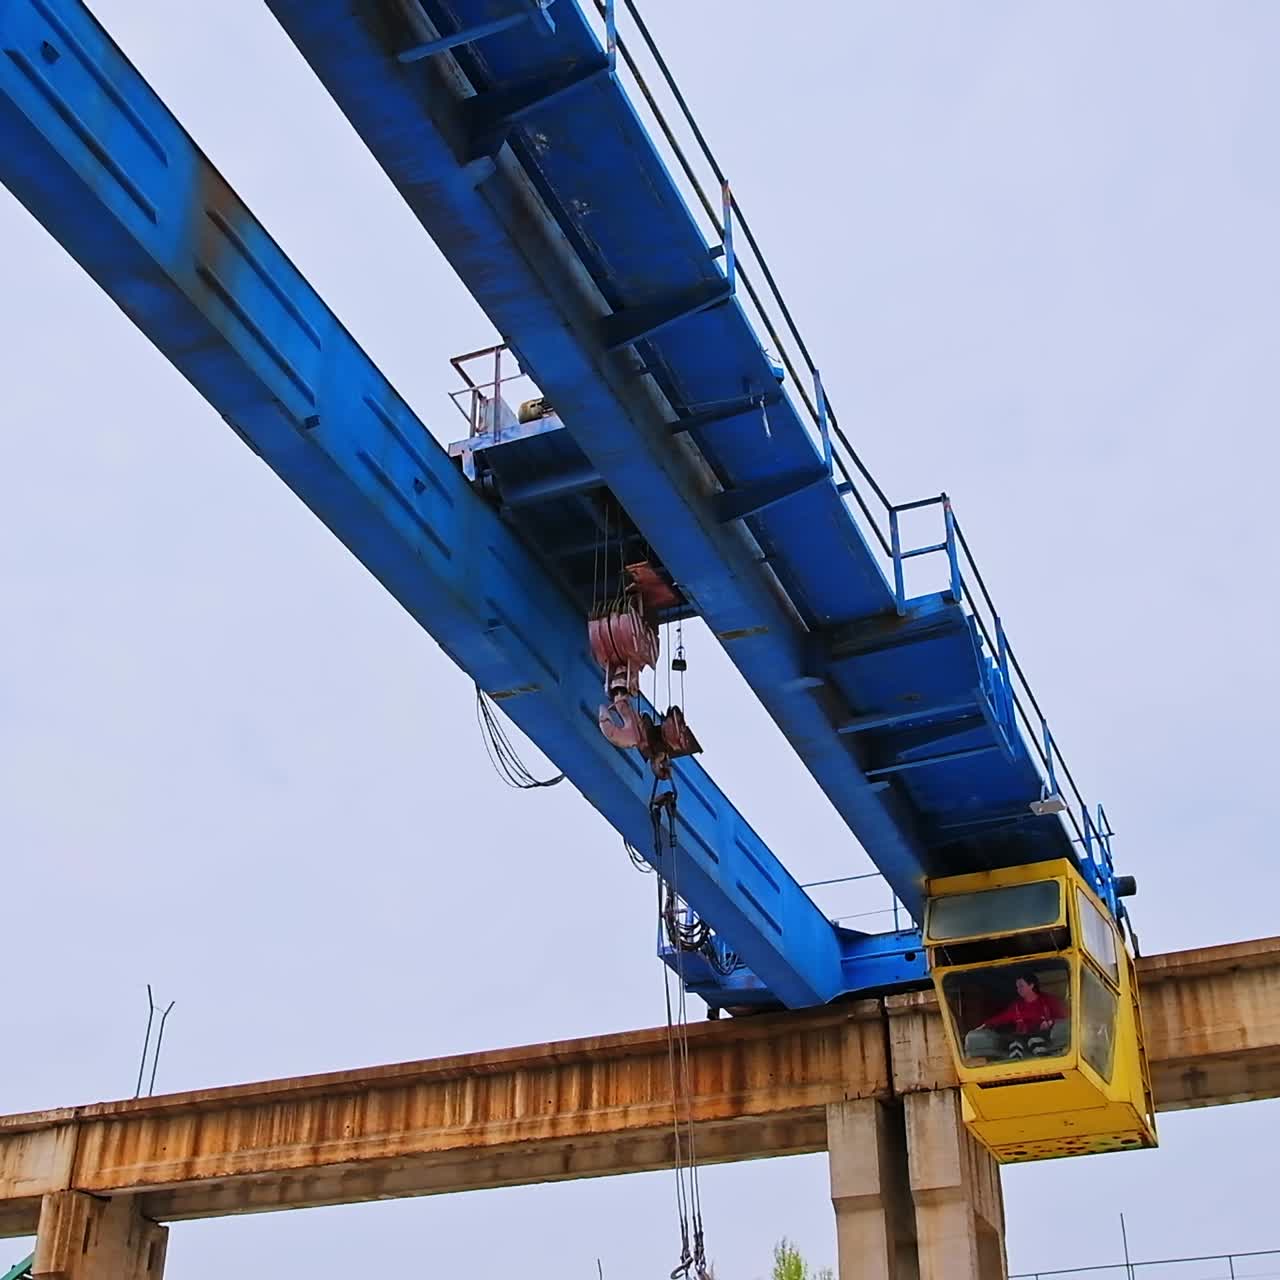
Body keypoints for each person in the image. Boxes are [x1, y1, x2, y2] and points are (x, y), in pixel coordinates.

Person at [963, 972, 1069, 1062]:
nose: (1018, 989)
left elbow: (1066, 1018)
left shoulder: (1049, 1001)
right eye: (1017, 987)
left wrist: (1050, 1022)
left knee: (1034, 1041)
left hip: (1044, 1039)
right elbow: (1000, 1018)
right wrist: (984, 1026)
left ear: (1031, 985)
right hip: (1021, 1039)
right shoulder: (1016, 1006)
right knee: (1014, 1044)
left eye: (1021, 986)